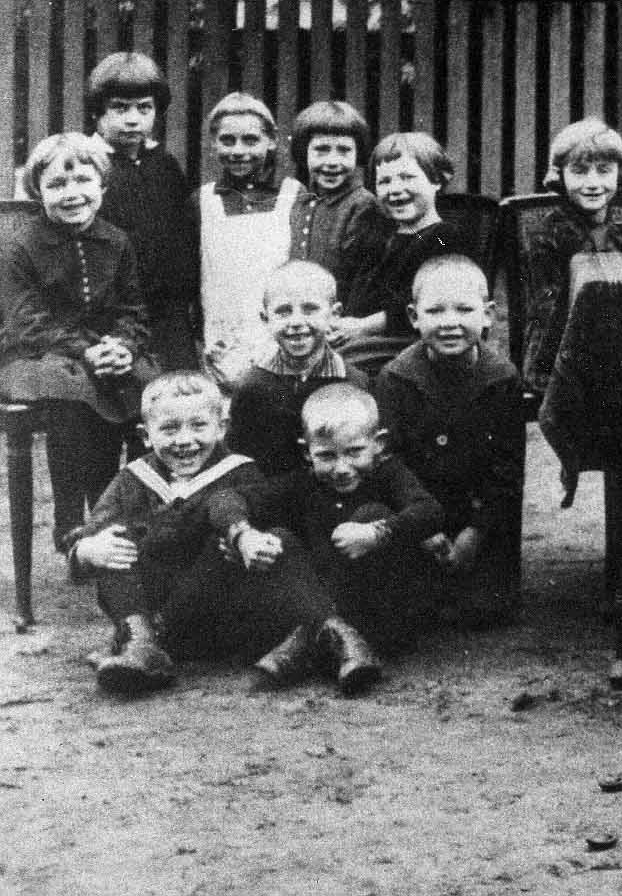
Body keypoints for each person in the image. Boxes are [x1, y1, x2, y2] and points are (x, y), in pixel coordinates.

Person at [63, 372, 379, 696]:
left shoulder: (241, 473)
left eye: (199, 426)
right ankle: (140, 643)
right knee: (110, 542)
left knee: (248, 540)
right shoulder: (132, 479)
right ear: (146, 435)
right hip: (151, 612)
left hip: (216, 613)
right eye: (169, 429)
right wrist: (87, 550)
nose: (185, 440)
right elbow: (89, 531)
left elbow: (268, 532)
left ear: (221, 427)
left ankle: (326, 635)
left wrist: (245, 541)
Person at [0, 133, 158, 547]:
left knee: (147, 388)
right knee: (73, 393)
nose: (72, 194)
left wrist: (122, 347)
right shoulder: (20, 246)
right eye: (56, 185)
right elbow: (25, 321)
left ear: (102, 186)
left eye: (83, 182)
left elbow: (133, 310)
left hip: (104, 349)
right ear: (38, 191)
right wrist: (88, 350)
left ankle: (133, 521)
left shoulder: (116, 240)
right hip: (39, 354)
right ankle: (72, 525)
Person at [373, 255, 525, 626]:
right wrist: (423, 528)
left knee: (486, 612)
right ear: (414, 317)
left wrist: (476, 531)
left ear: (488, 314)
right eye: (435, 311)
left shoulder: (501, 378)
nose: (450, 322)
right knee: (413, 610)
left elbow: (508, 468)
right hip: (419, 512)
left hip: (478, 512)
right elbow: (389, 462)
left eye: (464, 309)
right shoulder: (396, 379)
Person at [246, 383, 446, 657]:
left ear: (379, 444)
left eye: (354, 452)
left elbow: (430, 511)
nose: (341, 468)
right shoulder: (304, 482)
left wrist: (379, 532)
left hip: (385, 616)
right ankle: (330, 638)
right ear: (307, 453)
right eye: (327, 455)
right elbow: (235, 498)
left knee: (371, 513)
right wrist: (241, 535)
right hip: (328, 606)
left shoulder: (389, 474)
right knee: (279, 537)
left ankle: (315, 641)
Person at [520, 119, 622, 393]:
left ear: (620, 174)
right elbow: (549, 310)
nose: (593, 183)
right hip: (559, 352)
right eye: (579, 172)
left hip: (620, 344)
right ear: (561, 175)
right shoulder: (547, 233)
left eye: (604, 171)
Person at [87, 52, 200, 369]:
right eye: (120, 108)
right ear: (98, 112)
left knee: (181, 389)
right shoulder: (88, 166)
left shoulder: (165, 165)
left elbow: (183, 235)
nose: (133, 119)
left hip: (169, 313)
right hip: (114, 312)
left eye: (144, 108)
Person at [195, 92, 302, 385]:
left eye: (251, 140)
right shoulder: (203, 200)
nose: (238, 150)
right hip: (220, 338)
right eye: (227, 140)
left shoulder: (294, 196)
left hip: (280, 337)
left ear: (272, 141)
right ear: (213, 144)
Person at [225, 260, 369, 476]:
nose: (296, 322)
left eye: (310, 309)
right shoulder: (252, 386)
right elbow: (239, 460)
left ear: (334, 313)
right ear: (265, 318)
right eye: (283, 311)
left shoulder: (354, 382)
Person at [337, 132, 462, 375]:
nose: (395, 190)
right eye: (385, 182)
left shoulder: (443, 238)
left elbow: (424, 306)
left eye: (407, 177)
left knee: (338, 364)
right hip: (364, 338)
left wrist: (361, 327)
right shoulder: (379, 237)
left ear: (437, 181)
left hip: (411, 344)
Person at [286, 100, 385, 307]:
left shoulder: (363, 205)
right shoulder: (300, 202)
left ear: (358, 153)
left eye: (344, 150)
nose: (332, 161)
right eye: (321, 149)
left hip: (342, 322)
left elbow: (363, 279)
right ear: (304, 152)